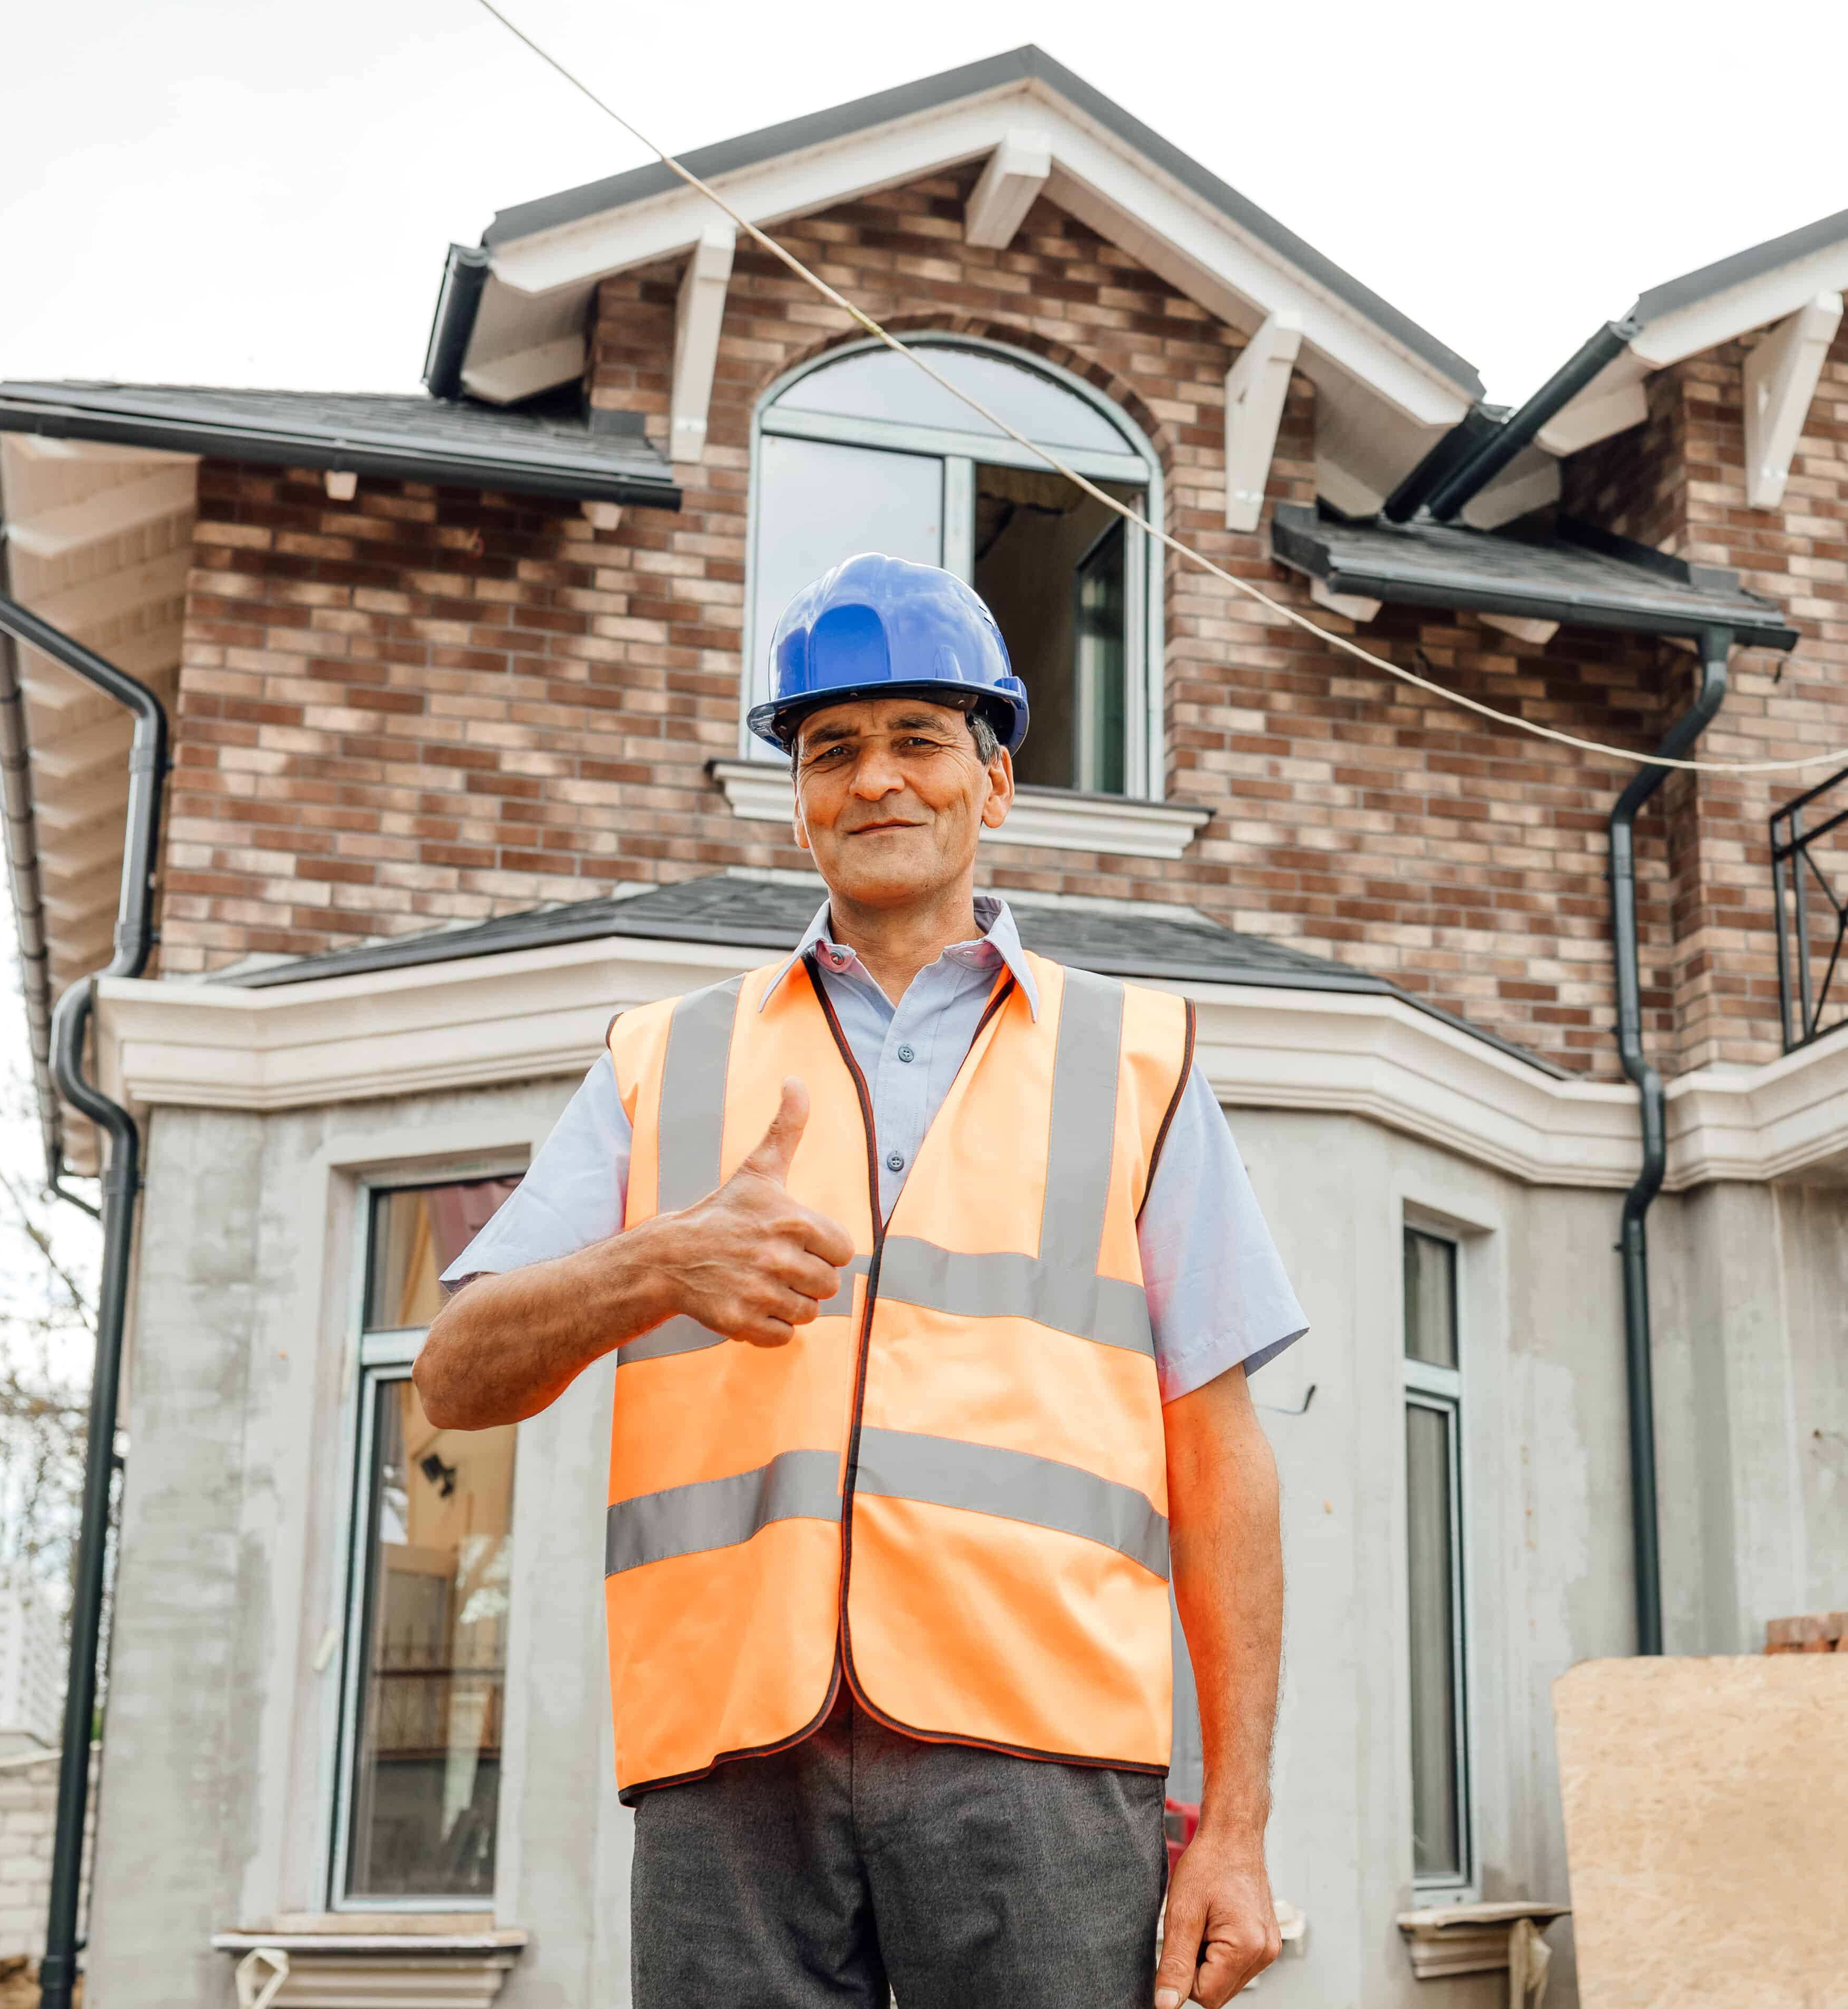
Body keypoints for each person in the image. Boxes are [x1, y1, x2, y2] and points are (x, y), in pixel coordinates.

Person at [416, 553, 1307, 2009]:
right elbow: (459, 1373)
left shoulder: (1138, 1058)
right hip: (732, 1768)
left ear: (994, 783)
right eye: (832, 749)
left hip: (1045, 1756)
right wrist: (659, 1260)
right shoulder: (663, 1060)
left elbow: (1222, 1459)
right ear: (799, 802)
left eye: (917, 739)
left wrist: (1241, 1830)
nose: (875, 779)